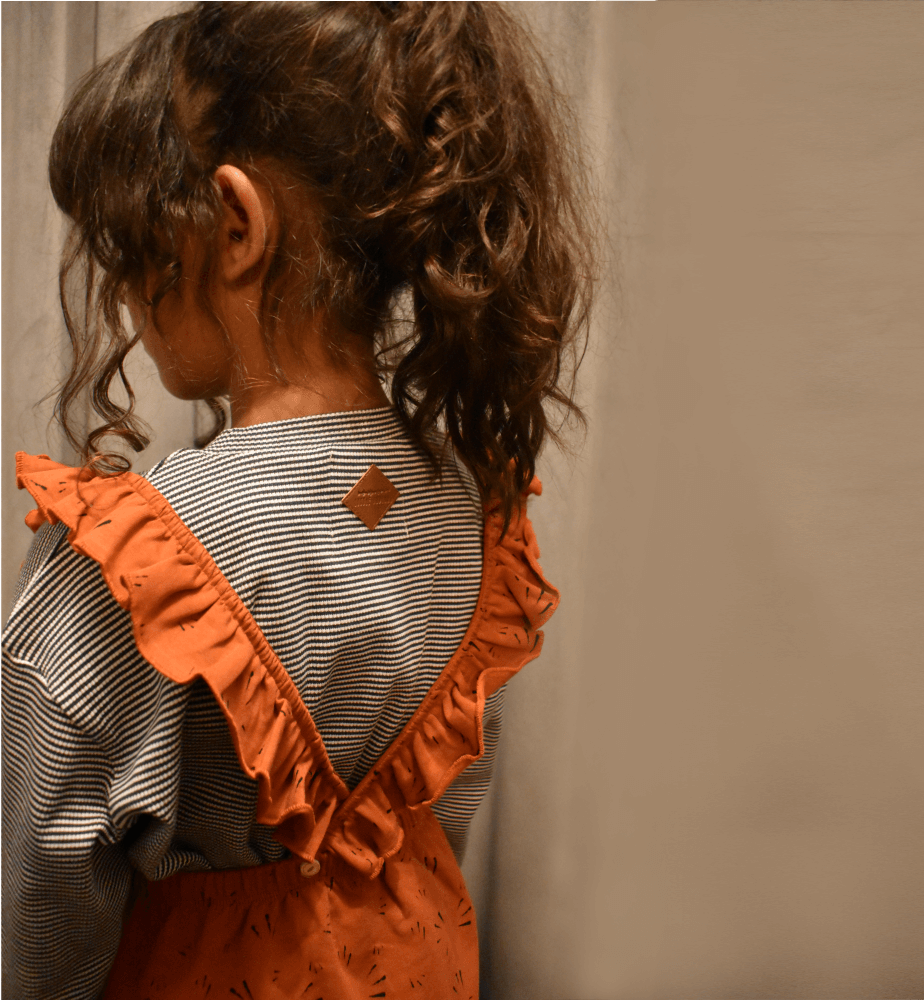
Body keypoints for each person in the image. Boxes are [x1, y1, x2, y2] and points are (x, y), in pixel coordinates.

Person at [1, 1, 597, 996]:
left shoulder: (132, 563)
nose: (125, 290)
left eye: (131, 241)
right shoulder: (472, 518)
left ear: (233, 227)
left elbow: (40, 910)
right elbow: (437, 819)